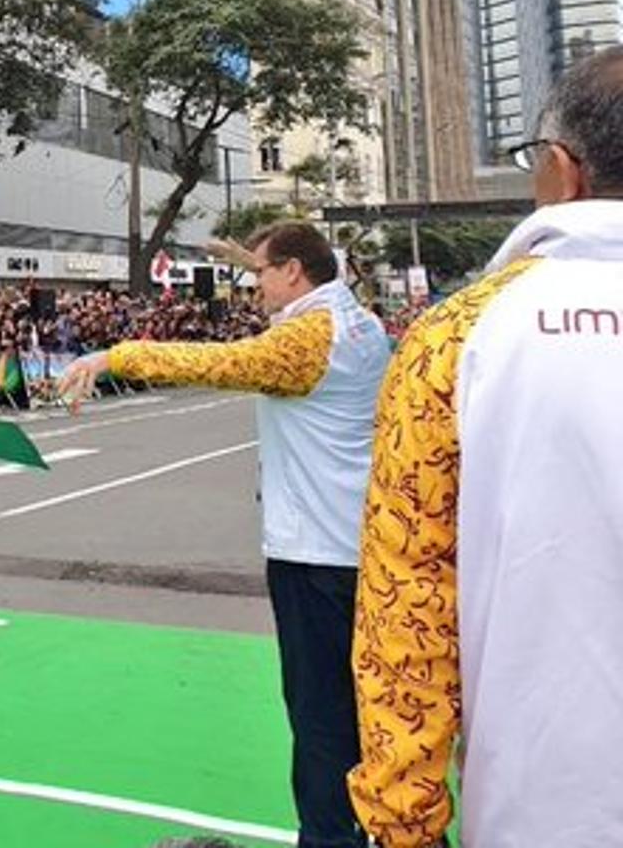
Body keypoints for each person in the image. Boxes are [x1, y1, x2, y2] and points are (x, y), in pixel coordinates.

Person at [348, 49, 623, 847]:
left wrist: (405, 823)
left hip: (545, 808)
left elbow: (407, 613)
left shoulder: (456, 335)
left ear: (561, 168)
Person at [59, 222, 389, 848]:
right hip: (359, 544)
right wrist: (257, 257)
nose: (254, 285)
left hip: (316, 554)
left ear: (293, 272)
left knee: (321, 719)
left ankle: (329, 839)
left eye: (261, 273)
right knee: (366, 709)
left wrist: (114, 356)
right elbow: (315, 279)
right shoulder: (360, 322)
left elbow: (222, 362)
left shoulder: (307, 340)